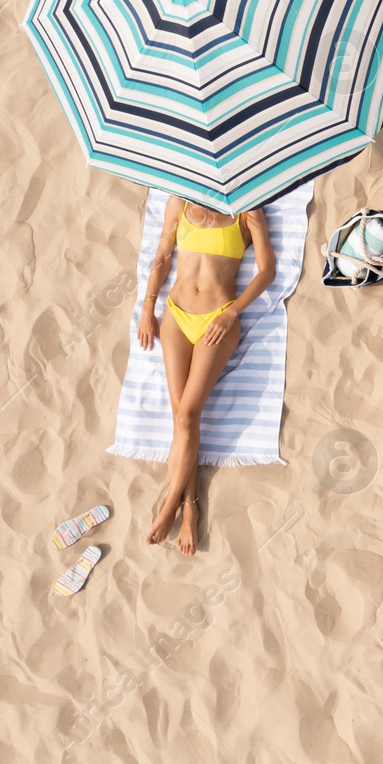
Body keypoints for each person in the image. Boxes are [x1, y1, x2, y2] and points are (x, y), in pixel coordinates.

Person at [136, 197, 275, 554]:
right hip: (176, 317)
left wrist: (233, 314)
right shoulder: (179, 204)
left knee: (187, 416)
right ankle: (190, 506)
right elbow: (163, 255)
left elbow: (266, 271)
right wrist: (147, 307)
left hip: (219, 319)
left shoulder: (248, 210)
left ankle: (170, 506)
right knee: (181, 419)